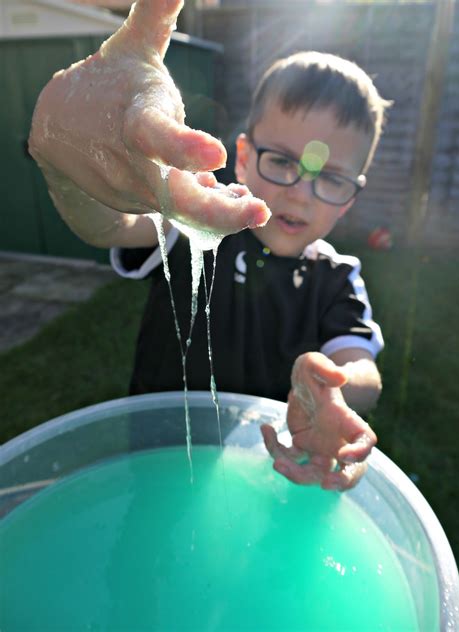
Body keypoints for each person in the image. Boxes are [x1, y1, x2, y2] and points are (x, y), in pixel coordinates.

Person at [29, 0, 391, 491]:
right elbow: (110, 226)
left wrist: (334, 388)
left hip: (267, 472)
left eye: (330, 179)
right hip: (159, 457)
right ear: (243, 157)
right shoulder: (196, 225)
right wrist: (73, 177)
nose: (299, 191)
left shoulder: (336, 277)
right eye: (281, 161)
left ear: (350, 199)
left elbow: (360, 364)